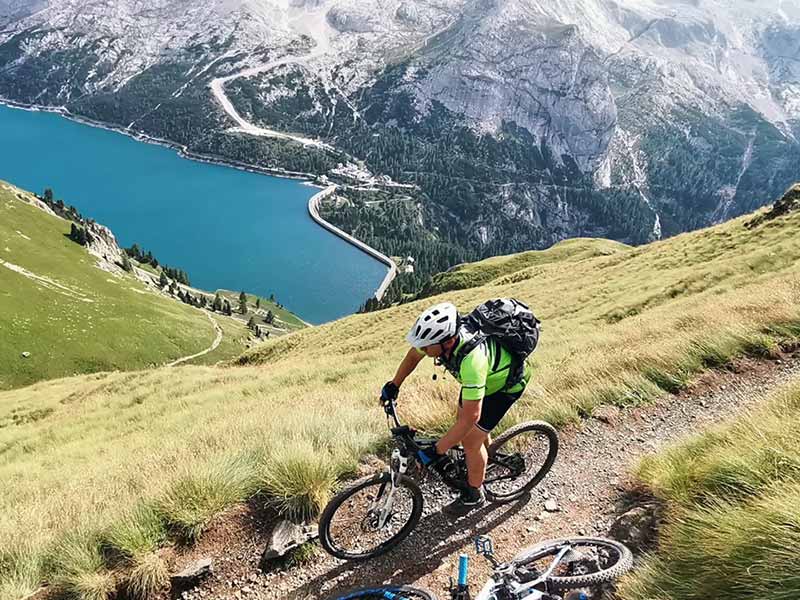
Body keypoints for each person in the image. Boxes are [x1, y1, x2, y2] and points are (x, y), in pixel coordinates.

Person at [381, 301, 532, 517]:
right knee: (466, 428)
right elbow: (413, 356)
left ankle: (474, 495)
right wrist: (394, 384)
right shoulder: (441, 341)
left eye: (426, 347)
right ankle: (484, 456)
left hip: (505, 387)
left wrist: (437, 450)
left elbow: (472, 416)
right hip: (484, 383)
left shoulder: (472, 361)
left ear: (448, 342)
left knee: (469, 439)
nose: (423, 350)